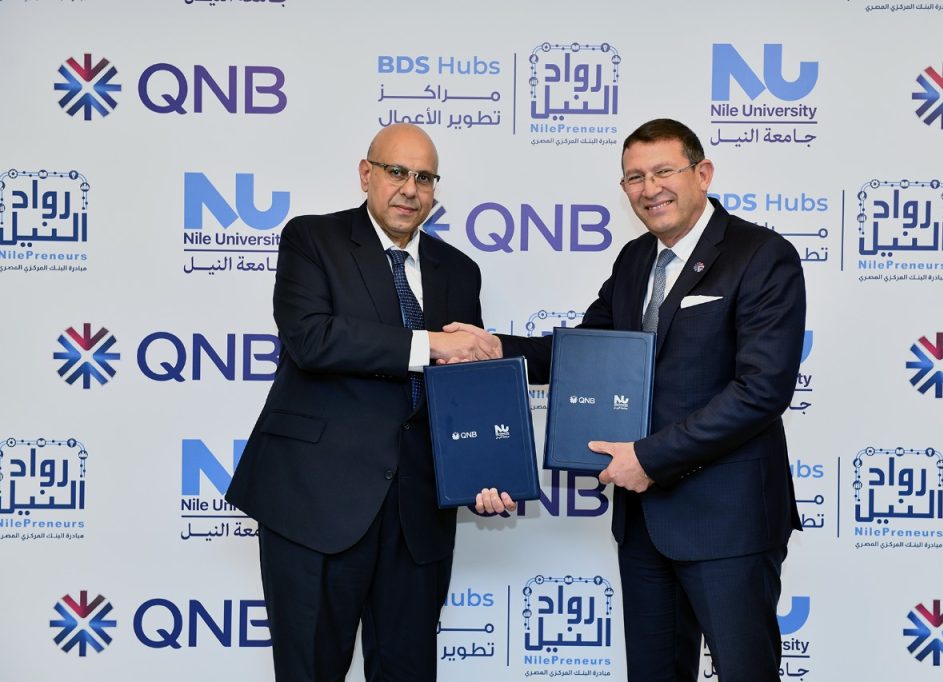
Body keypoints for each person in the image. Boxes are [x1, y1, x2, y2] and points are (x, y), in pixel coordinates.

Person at [456, 118, 806, 681]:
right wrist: (494, 347)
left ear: (703, 173)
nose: (650, 188)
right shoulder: (636, 259)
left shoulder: (761, 255)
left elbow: (761, 390)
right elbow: (585, 354)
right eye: (634, 177)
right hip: (644, 524)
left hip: (728, 521)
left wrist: (648, 457)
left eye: (664, 171)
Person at [226, 123, 514, 682]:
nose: (410, 189)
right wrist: (430, 343)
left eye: (424, 178)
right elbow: (312, 339)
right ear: (366, 174)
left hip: (417, 514)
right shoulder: (313, 239)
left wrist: (483, 471)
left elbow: (463, 390)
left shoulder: (459, 271)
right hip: (316, 503)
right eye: (396, 172)